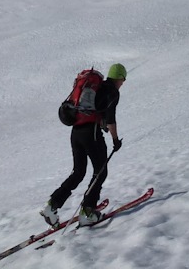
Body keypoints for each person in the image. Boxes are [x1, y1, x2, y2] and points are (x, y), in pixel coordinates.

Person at [40, 63, 126, 227]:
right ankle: (87, 212)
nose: (122, 83)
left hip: (76, 132)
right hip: (91, 133)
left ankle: (51, 206)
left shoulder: (97, 87)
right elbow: (110, 119)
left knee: (78, 172)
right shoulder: (111, 91)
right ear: (120, 78)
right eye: (123, 80)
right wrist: (115, 140)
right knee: (100, 171)